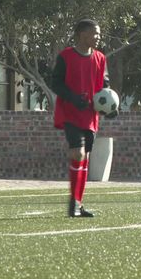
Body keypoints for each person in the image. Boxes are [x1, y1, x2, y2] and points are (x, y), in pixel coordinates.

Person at [50, 19, 113, 218]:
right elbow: (56, 84)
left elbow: (104, 85)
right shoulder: (66, 56)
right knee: (77, 153)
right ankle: (73, 202)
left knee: (85, 157)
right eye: (95, 33)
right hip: (70, 113)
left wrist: (111, 105)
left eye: (99, 33)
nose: (98, 37)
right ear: (82, 34)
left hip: (91, 115)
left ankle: (78, 203)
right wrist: (73, 98)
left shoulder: (101, 58)